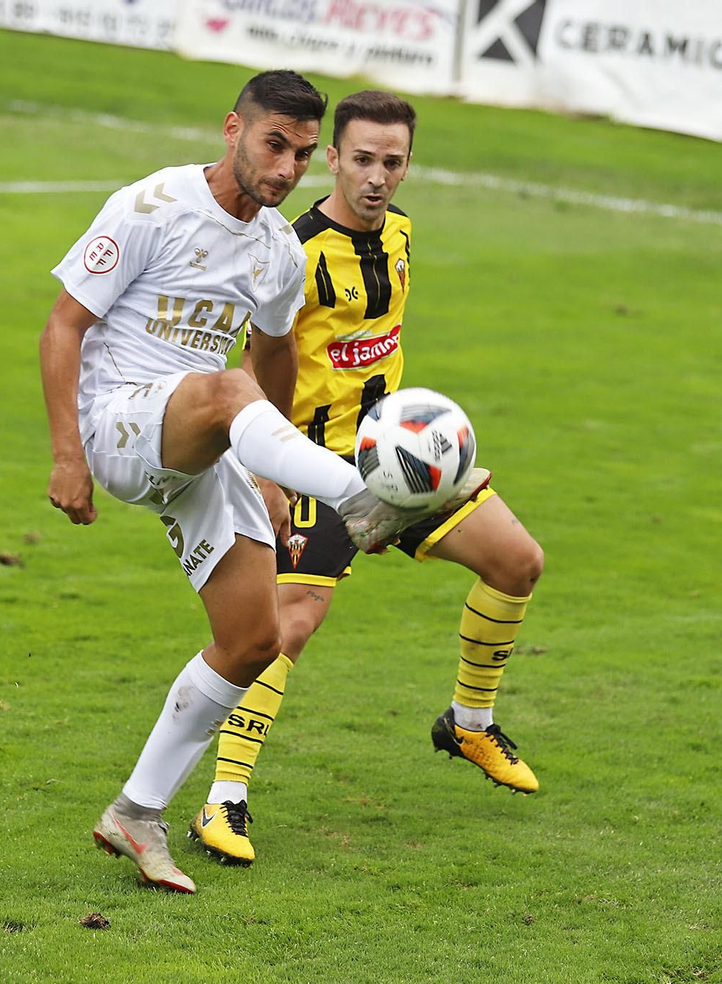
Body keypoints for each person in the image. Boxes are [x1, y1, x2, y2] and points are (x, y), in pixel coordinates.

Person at [39, 72, 487, 893]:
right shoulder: (153, 206)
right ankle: (372, 493)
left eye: (303, 153)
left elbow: (275, 352)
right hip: (119, 422)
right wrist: (69, 454)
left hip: (205, 434)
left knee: (256, 639)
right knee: (225, 385)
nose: (286, 168)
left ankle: (136, 813)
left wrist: (268, 469)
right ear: (232, 129)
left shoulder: (279, 249)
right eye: (274, 144)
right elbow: (65, 325)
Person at [188, 90, 545, 867]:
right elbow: (254, 365)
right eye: (362, 160)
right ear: (332, 159)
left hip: (403, 463)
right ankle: (223, 799)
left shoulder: (404, 236)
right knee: (289, 626)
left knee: (518, 561)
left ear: (408, 164)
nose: (378, 177)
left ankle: (468, 723)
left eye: (393, 162)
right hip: (314, 466)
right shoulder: (295, 250)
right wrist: (266, 470)